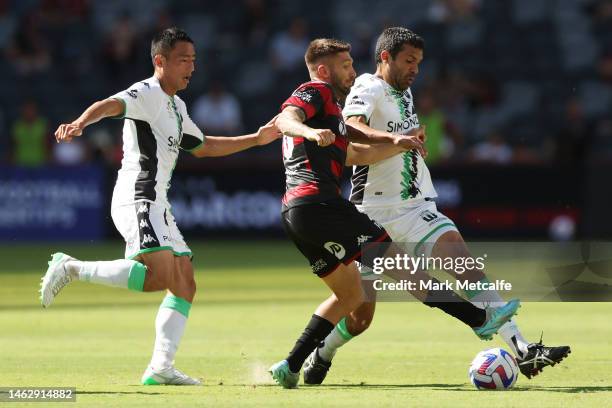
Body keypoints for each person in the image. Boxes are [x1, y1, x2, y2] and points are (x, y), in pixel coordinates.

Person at [302, 27, 570, 385]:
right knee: (360, 316)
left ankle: (523, 350)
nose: (416, 69)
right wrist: (395, 138)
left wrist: (411, 138)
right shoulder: (368, 86)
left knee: (463, 262)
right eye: (409, 61)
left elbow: (402, 141)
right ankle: (324, 352)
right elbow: (350, 127)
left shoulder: (405, 93)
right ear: (385, 57)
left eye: (419, 62)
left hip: (414, 207)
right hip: (371, 213)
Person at [268, 38, 520, 389]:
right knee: (407, 272)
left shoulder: (332, 111)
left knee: (351, 298)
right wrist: (308, 130)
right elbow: (287, 117)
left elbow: (350, 131)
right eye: (345, 66)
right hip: (327, 207)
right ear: (324, 70)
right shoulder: (316, 92)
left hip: (294, 213)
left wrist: (394, 140)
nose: (352, 72)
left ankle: (290, 365)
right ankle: (479, 319)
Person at [39, 27, 280, 386]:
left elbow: (204, 146)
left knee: (184, 282)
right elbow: (110, 105)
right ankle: (71, 268)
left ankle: (160, 368)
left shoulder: (176, 106)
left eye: (194, 61)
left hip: (159, 204)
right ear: (160, 61)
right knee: (161, 276)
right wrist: (79, 123)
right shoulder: (146, 93)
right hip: (137, 196)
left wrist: (257, 139)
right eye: (183, 60)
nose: (191, 68)